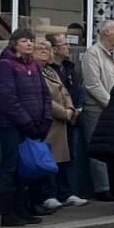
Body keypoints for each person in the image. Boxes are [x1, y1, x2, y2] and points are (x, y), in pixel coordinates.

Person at [0, 29, 51, 226]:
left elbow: (45, 94)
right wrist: (26, 122)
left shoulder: (33, 65)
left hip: (33, 126)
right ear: (15, 43)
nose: (29, 44)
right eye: (24, 40)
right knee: (11, 166)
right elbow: (8, 99)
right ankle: (8, 213)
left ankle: (22, 208)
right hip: (12, 126)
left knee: (26, 168)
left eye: (31, 41)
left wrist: (45, 120)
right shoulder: (6, 65)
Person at [79, 19, 114, 203]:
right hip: (97, 109)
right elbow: (92, 84)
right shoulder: (93, 54)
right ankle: (102, 188)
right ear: (105, 32)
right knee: (99, 147)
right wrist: (112, 103)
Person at [42, 32, 89, 207]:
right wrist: (65, 112)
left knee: (70, 157)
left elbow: (71, 91)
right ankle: (50, 194)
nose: (67, 47)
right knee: (51, 157)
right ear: (53, 48)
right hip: (54, 121)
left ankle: (67, 192)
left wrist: (75, 110)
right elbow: (49, 97)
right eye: (63, 44)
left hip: (71, 118)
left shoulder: (68, 66)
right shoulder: (48, 69)